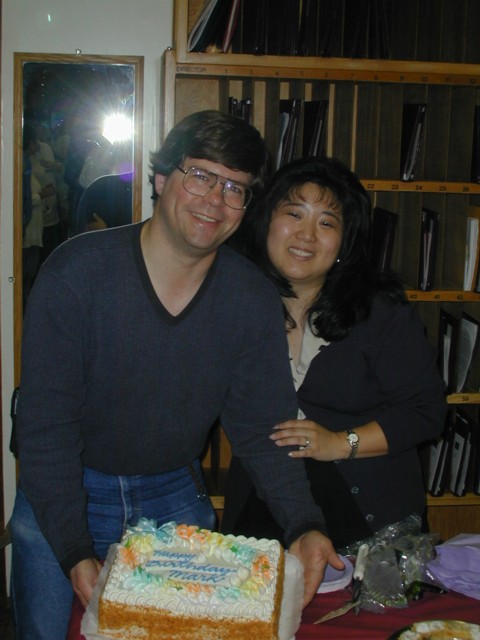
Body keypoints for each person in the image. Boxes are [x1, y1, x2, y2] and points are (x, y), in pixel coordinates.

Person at [10, 111, 342, 640]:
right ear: (162, 179)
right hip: (65, 489)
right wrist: (75, 550)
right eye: (200, 175)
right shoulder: (75, 274)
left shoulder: (250, 298)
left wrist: (304, 521)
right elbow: (46, 429)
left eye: (235, 187)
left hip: (171, 498)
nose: (215, 200)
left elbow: (263, 427)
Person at [222, 155, 446, 550]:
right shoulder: (232, 303)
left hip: (369, 513)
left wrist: (340, 443)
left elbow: (425, 413)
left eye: (326, 222)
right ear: (265, 221)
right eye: (294, 213)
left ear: (344, 242)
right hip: (264, 500)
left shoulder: (380, 311)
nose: (307, 235)